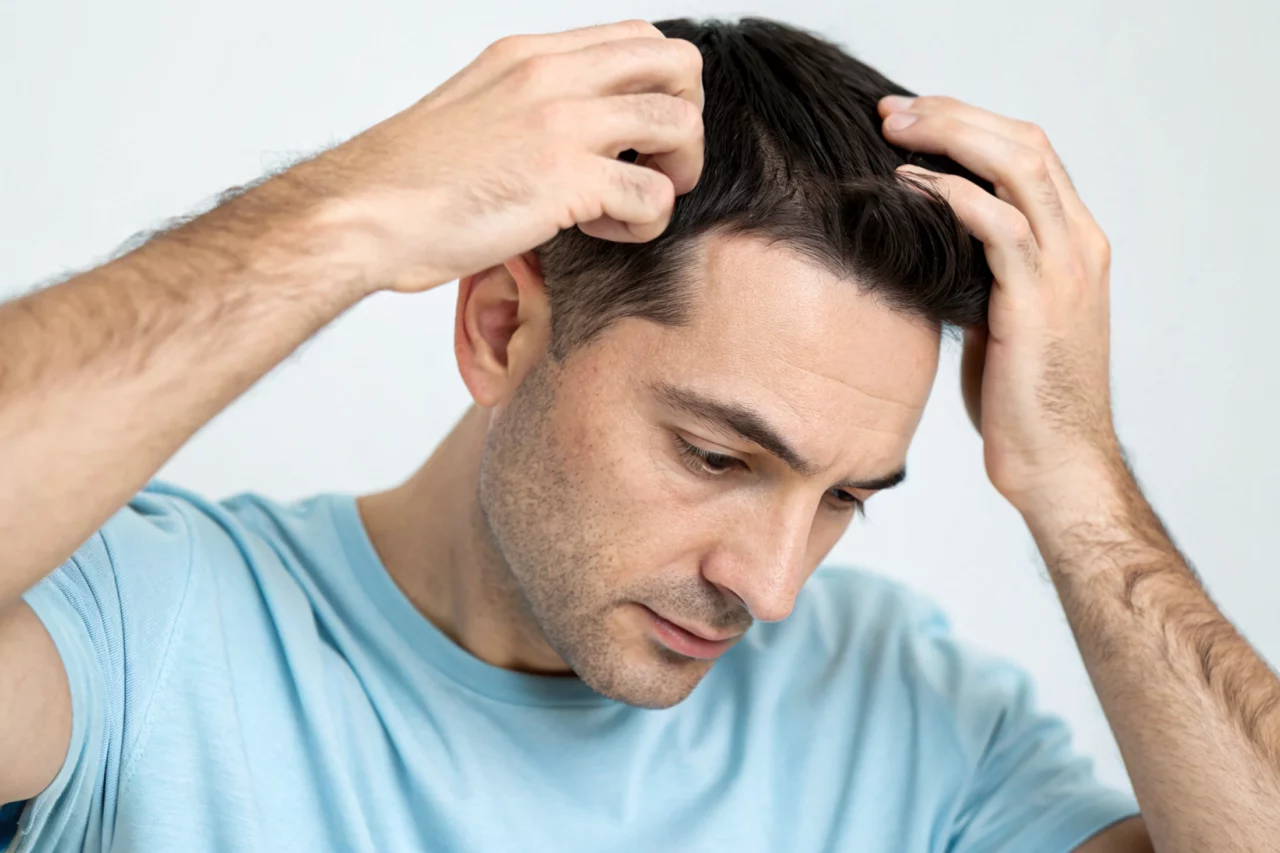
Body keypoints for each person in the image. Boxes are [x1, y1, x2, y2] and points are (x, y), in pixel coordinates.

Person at [0, 13, 1275, 853]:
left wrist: (1074, 476)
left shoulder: (900, 712)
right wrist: (344, 216)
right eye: (717, 456)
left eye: (842, 496)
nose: (767, 588)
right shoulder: (150, 628)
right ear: (502, 325)